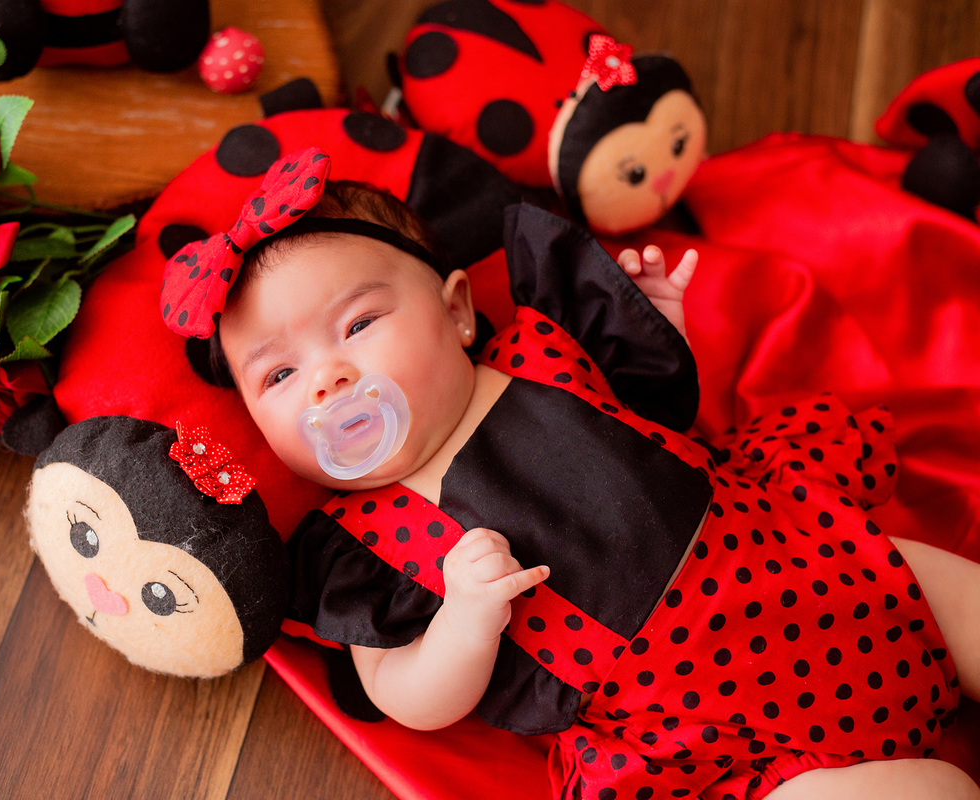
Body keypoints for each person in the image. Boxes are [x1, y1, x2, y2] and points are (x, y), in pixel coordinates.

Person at [161, 148, 980, 800]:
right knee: (934, 792)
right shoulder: (360, 548)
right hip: (699, 730)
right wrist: (465, 624)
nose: (328, 380)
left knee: (947, 588)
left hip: (806, 561)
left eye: (360, 323)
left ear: (456, 311)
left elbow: (658, 431)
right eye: (278, 376)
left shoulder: (543, 352)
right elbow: (402, 695)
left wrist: (663, 326)